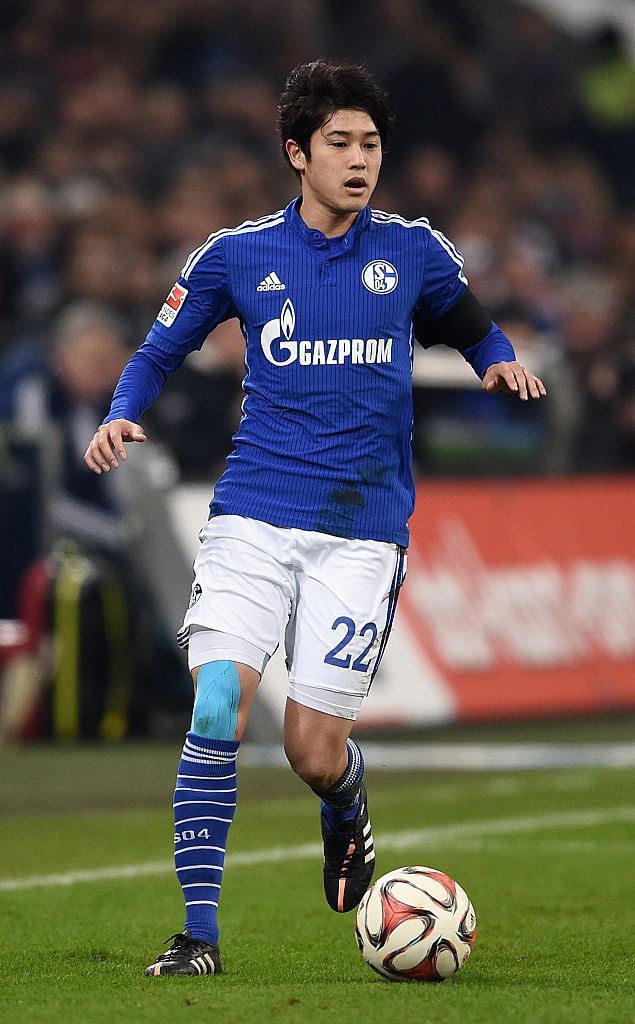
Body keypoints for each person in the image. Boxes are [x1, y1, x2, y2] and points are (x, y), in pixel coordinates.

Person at [84, 60, 546, 977]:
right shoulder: (236, 255)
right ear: (297, 153)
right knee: (217, 702)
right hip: (253, 513)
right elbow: (158, 350)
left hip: (361, 531)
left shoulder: (411, 250)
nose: (359, 159)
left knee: (310, 749)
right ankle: (199, 936)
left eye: (370, 143)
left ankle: (345, 800)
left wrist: (497, 359)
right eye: (339, 142)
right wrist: (119, 413)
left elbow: (471, 324)